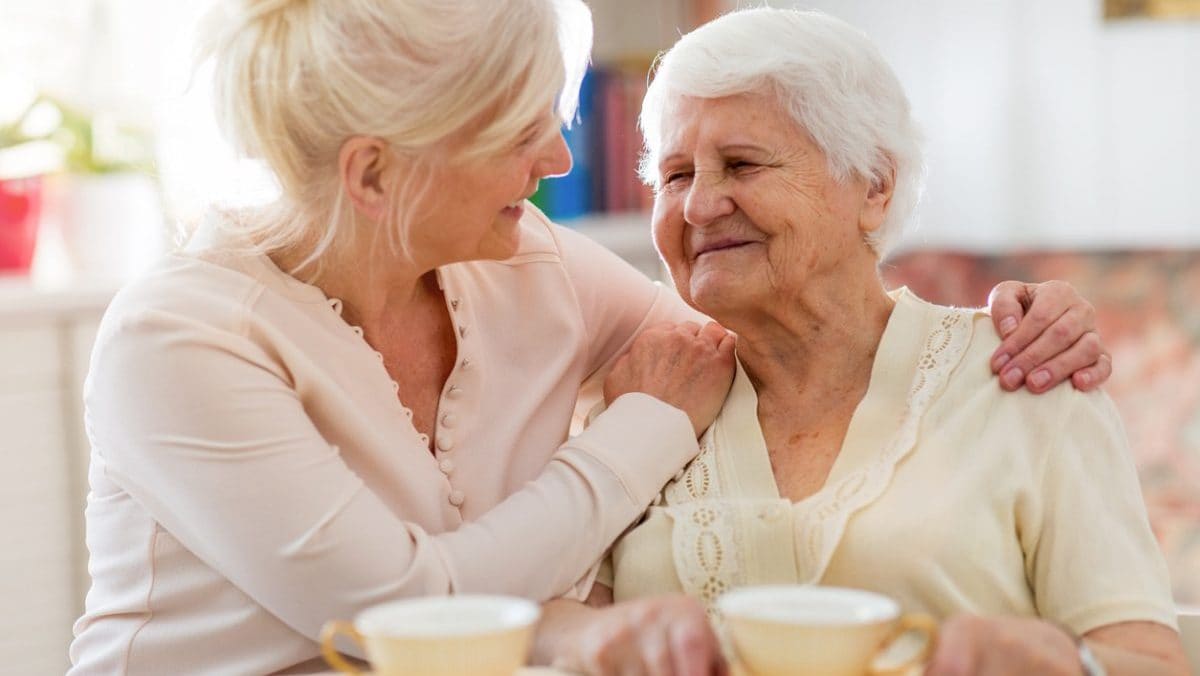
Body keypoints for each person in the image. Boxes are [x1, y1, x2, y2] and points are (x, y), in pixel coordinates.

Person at [69, 1, 1113, 674]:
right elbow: (412, 618)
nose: (559, 159)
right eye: (519, 128)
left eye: (741, 165)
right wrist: (640, 433)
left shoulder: (523, 262)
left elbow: (759, 334)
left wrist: (1013, 322)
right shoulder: (179, 341)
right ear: (377, 175)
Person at [534, 8, 1190, 676]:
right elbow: (550, 619)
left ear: (874, 187)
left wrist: (1068, 665)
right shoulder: (646, 396)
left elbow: (1150, 660)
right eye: (676, 176)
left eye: (741, 164)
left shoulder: (1025, 377)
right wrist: (601, 639)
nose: (699, 206)